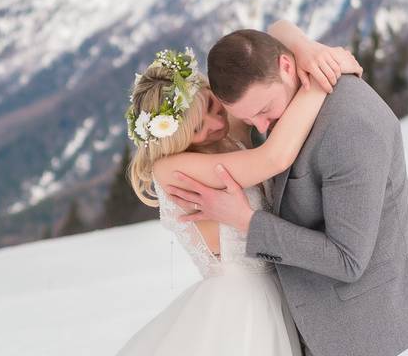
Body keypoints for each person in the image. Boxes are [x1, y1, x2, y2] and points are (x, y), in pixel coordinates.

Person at [165, 26, 408, 356]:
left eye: (263, 111)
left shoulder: (350, 127)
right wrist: (303, 44)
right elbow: (276, 31)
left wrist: (247, 221)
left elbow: (347, 260)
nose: (260, 128)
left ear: (286, 68)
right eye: (248, 118)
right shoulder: (274, 88)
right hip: (293, 316)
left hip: (355, 325)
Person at [116, 22, 361, 355]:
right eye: (199, 128)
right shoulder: (173, 170)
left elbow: (277, 29)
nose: (218, 124)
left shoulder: (225, 133)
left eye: (215, 108)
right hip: (240, 308)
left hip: (282, 293)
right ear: (175, 138)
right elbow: (274, 157)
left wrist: (308, 50)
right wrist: (323, 79)